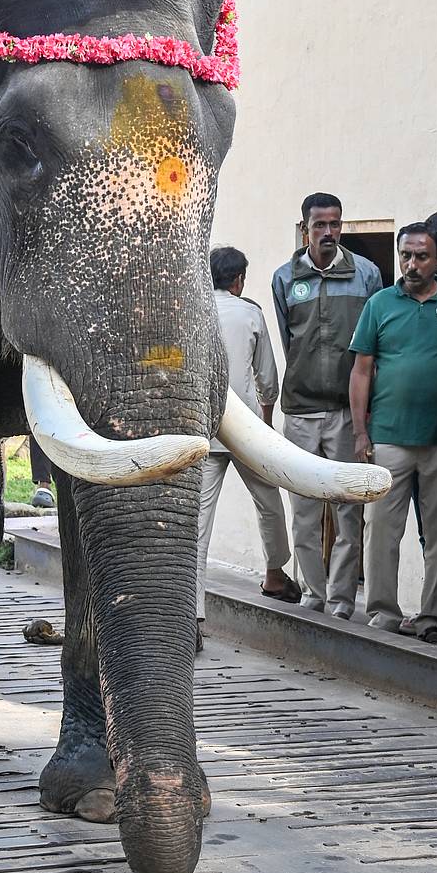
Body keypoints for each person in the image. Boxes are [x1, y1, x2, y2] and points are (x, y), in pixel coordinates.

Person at [349, 223, 437, 644]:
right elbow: (361, 371)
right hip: (389, 438)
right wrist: (361, 433)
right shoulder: (380, 304)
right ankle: (382, 612)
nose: (412, 264)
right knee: (380, 528)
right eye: (406, 255)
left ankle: (433, 616)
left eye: (421, 256)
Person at [272, 193, 382, 617]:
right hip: (300, 411)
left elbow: (373, 347)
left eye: (335, 224)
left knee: (347, 510)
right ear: (305, 229)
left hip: (344, 413)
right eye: (320, 225)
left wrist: (362, 419)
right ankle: (313, 595)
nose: (329, 232)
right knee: (303, 510)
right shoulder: (285, 278)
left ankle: (340, 601)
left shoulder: (367, 275)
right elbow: (289, 341)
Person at [197, 247, 299, 649]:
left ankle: (195, 616)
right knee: (269, 502)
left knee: (198, 524)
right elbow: (268, 378)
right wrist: (264, 420)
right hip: (245, 426)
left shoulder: (194, 311)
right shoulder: (250, 312)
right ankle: (275, 574)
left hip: (202, 427)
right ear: (238, 279)